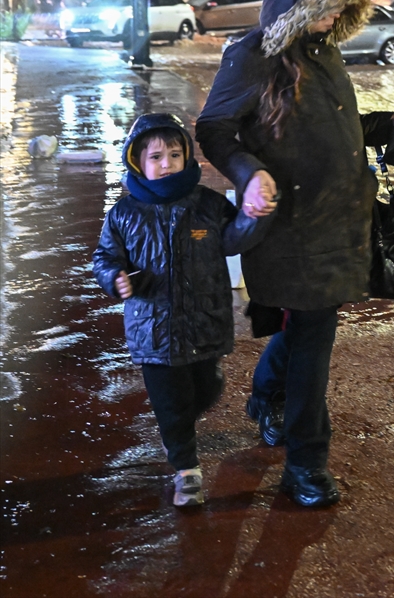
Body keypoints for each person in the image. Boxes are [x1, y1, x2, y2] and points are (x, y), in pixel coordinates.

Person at [195, 0, 394, 508]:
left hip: (341, 221)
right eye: (321, 7)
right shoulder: (253, 54)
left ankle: (267, 397)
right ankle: (306, 462)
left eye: (338, 8)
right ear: (293, 5)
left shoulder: (324, 52)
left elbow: (337, 122)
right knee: (315, 336)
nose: (330, 18)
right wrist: (249, 174)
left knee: (309, 329)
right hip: (290, 225)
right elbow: (215, 127)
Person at [93, 113, 273, 507]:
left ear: (188, 156)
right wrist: (114, 277)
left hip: (203, 324)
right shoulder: (124, 213)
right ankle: (186, 470)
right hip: (152, 330)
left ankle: (180, 427)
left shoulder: (206, 204)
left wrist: (254, 216)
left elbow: (233, 240)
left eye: (175, 154)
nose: (167, 163)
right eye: (156, 156)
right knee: (172, 405)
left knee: (207, 390)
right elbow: (105, 257)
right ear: (138, 161)